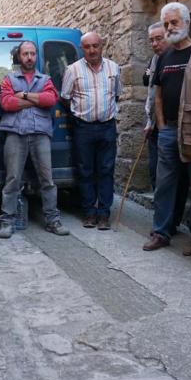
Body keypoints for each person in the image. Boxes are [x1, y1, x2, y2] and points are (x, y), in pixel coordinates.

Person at [143, 2, 191, 255]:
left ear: (187, 22)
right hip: (169, 130)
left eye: (174, 22)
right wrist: (161, 125)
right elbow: (158, 94)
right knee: (164, 184)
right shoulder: (164, 57)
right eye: (166, 23)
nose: (170, 27)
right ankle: (161, 232)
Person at [0, 40, 70, 239]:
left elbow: (50, 101)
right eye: (25, 54)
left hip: (40, 135)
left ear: (36, 56)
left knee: (47, 180)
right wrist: (35, 100)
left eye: (32, 53)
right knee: (12, 179)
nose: (29, 57)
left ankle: (53, 220)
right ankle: (7, 222)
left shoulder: (45, 79)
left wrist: (25, 95)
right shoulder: (9, 79)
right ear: (19, 57)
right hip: (15, 134)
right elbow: (6, 103)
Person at [62, 31, 122, 230]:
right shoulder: (73, 70)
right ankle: (89, 212)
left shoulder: (114, 68)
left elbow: (117, 94)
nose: (92, 50)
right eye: (87, 47)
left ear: (101, 45)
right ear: (82, 49)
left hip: (107, 126)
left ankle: (104, 214)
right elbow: (65, 97)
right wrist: (78, 116)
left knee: (106, 170)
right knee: (85, 170)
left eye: (95, 45)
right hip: (83, 128)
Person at [143, 22, 166, 190]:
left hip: (171, 124)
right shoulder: (154, 60)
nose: (155, 44)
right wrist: (149, 122)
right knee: (154, 169)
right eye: (151, 40)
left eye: (159, 39)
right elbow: (150, 92)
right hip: (155, 125)